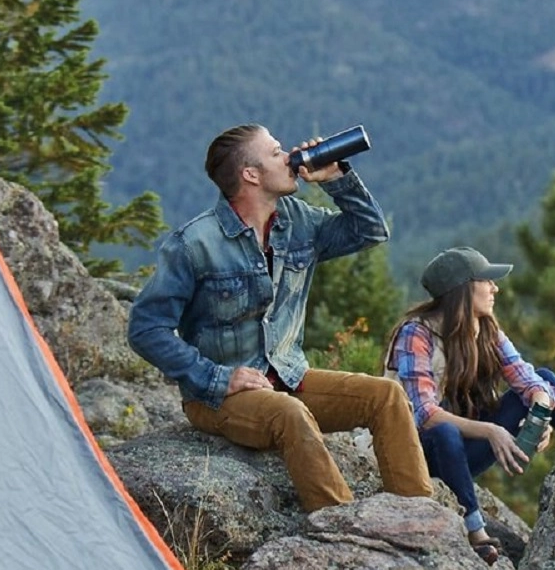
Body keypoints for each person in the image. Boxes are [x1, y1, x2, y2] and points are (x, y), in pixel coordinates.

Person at [127, 123, 433, 512]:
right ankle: (341, 521)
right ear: (250, 175)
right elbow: (146, 328)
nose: (289, 156)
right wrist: (217, 377)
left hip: (286, 377)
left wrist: (337, 180)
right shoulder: (194, 244)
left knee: (386, 396)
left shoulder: (296, 222)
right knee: (291, 414)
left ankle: (416, 517)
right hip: (218, 398)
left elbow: (370, 231)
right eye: (275, 152)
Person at [384, 247, 555, 563]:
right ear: (463, 290)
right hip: (418, 455)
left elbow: (529, 379)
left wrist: (541, 412)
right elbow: (425, 415)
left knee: (546, 378)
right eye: (487, 281)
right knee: (444, 430)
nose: (495, 288)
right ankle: (475, 530)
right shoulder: (415, 334)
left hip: (459, 450)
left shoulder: (484, 329)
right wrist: (490, 431)